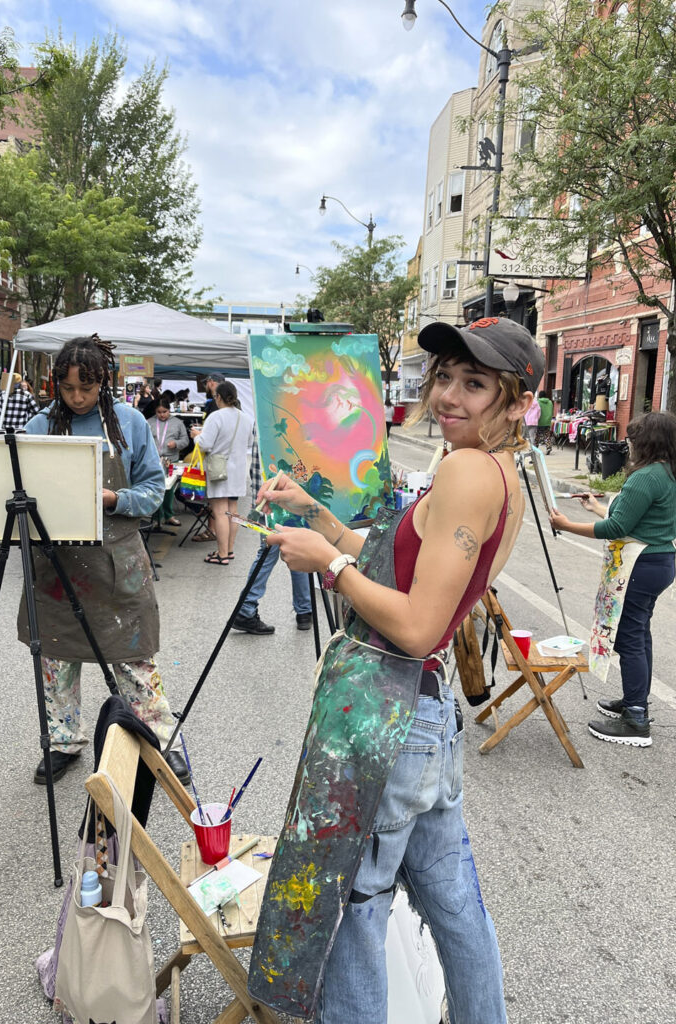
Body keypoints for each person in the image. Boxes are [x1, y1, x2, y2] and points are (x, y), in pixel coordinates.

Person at [247, 316, 544, 1024]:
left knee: (352, 910)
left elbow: (417, 626)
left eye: (476, 384)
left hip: (392, 718)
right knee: (455, 904)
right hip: (424, 717)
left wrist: (330, 565)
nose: (449, 396)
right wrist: (319, 516)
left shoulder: (467, 470)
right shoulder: (501, 471)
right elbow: (400, 567)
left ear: (518, 402)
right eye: (446, 377)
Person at [21, 336, 189, 785]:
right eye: (68, 388)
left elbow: (153, 490)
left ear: (104, 383)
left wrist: (115, 498)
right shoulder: (39, 425)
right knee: (56, 661)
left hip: (118, 560)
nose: (77, 397)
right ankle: (63, 741)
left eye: (87, 388)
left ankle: (162, 739)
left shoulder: (129, 422)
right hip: (55, 565)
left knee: (135, 660)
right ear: (55, 383)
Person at [549, 411, 676, 748]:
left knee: (628, 638)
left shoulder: (644, 477)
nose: (628, 444)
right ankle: (636, 700)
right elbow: (638, 519)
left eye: (632, 438)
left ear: (647, 442)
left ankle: (636, 718)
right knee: (640, 633)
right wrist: (596, 508)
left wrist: (566, 525)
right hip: (660, 561)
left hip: (640, 565)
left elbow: (617, 528)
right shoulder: (667, 472)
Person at [231, 438, 313, 634]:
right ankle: (302, 610)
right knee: (292, 549)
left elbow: (256, 470)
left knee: (278, 551)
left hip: (272, 499)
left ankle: (302, 610)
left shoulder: (266, 424)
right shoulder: (279, 427)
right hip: (279, 499)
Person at [190, 381, 253, 565]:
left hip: (219, 469)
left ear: (218, 397)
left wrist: (196, 436)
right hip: (238, 469)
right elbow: (249, 443)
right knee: (233, 511)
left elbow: (205, 444)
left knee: (220, 512)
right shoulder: (245, 418)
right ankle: (229, 550)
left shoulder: (216, 417)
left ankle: (222, 554)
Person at [148, 397, 189, 526]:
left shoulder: (178, 423)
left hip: (171, 460)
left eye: (164, 412)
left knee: (169, 489)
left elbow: (185, 440)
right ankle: (156, 517)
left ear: (169, 410)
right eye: (159, 412)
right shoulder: (149, 422)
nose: (162, 415)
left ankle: (168, 515)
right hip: (154, 460)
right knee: (156, 487)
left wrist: (176, 443)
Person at [535, 389, 554, 453]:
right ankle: (548, 447)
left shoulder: (538, 402)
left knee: (537, 436)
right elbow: (552, 411)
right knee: (547, 435)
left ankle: (535, 448)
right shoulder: (550, 402)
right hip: (547, 422)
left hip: (539, 422)